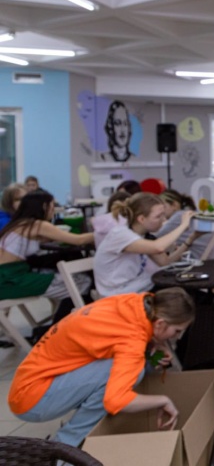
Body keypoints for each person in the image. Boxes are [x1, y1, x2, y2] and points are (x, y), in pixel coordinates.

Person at [8, 288, 194, 447]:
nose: (176, 337)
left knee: (134, 367)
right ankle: (64, 450)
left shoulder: (135, 302)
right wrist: (162, 400)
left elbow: (120, 334)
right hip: (32, 399)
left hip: (30, 381)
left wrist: (155, 341)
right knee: (129, 373)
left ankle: (87, 433)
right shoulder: (131, 340)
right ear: (160, 323)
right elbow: (116, 401)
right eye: (176, 331)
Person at [93, 193, 200, 296]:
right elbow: (158, 247)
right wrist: (183, 225)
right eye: (158, 216)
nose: (164, 220)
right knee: (181, 297)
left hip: (139, 288)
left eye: (163, 215)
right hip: (120, 296)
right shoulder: (120, 234)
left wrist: (191, 238)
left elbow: (165, 262)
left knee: (191, 293)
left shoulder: (143, 235)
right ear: (141, 219)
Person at [0, 191, 93, 302]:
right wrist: (105, 232)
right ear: (45, 206)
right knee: (82, 282)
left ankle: (66, 311)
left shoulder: (18, 223)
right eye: (53, 206)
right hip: (11, 279)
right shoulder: (37, 224)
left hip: (8, 275)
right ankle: (71, 312)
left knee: (68, 278)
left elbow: (44, 239)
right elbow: (78, 240)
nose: (54, 210)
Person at [156, 189, 214, 260]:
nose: (160, 211)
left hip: (198, 261)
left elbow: (155, 239)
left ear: (174, 205)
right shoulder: (187, 214)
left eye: (163, 207)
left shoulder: (179, 216)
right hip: (210, 259)